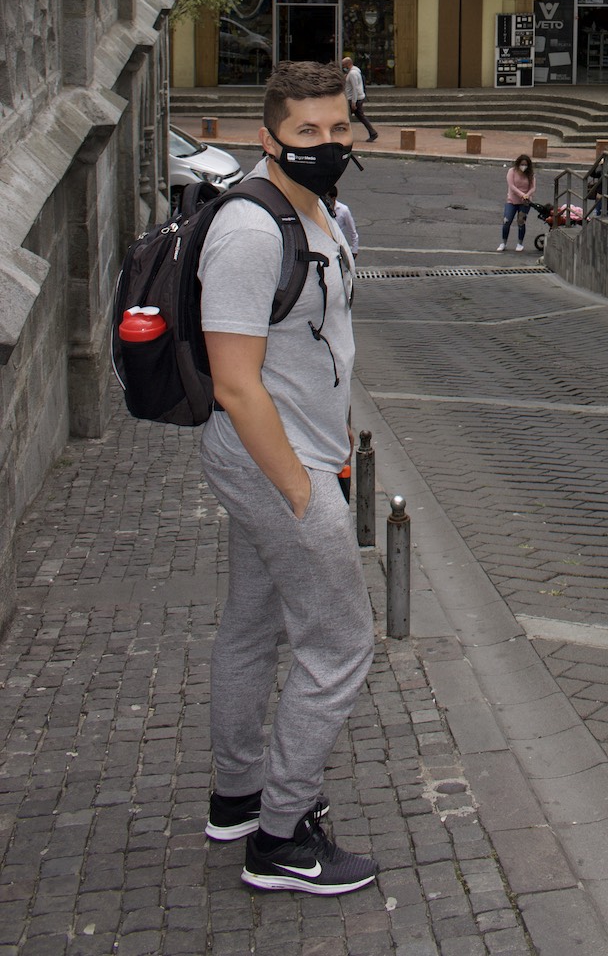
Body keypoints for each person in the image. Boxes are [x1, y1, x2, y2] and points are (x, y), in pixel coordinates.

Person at [199, 59, 377, 896]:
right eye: (307, 132)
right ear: (268, 137)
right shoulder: (249, 231)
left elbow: (320, 340)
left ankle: (236, 797)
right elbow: (235, 382)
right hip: (277, 464)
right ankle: (280, 839)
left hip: (303, 451)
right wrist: (305, 492)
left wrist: (334, 437)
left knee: (250, 623)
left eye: (338, 128)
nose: (326, 143)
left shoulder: (328, 214)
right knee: (341, 644)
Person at [497, 153, 535, 253]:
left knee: (521, 222)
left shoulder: (530, 174)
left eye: (525, 165)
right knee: (507, 221)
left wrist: (527, 195)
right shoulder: (512, 171)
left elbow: (533, 187)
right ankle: (503, 242)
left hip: (525, 202)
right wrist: (522, 194)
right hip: (512, 200)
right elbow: (512, 186)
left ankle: (520, 243)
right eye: (522, 164)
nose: (524, 167)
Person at [341, 54, 379, 143]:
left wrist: (353, 102)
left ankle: (344, 135)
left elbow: (355, 88)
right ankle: (373, 133)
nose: (343, 67)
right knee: (361, 117)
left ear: (348, 64)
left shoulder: (353, 73)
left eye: (344, 65)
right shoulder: (355, 71)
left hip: (354, 99)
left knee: (345, 117)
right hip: (357, 98)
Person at [324, 185, 359, 257]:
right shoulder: (322, 209)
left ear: (333, 198)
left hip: (338, 247)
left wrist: (354, 250)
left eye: (327, 198)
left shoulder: (344, 210)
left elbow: (352, 231)